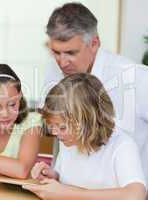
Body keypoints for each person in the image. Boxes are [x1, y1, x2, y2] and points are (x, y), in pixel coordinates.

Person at [41, 2, 148, 183]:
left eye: (71, 52)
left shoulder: (135, 77)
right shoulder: (54, 72)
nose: (62, 62)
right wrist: (55, 174)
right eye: (56, 52)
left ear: (94, 43)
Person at [24, 73, 147, 200]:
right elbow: (73, 182)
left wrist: (66, 193)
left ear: (88, 122)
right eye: (52, 126)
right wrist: (54, 177)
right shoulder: (68, 141)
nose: (55, 132)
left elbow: (137, 195)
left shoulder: (122, 146)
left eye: (62, 127)